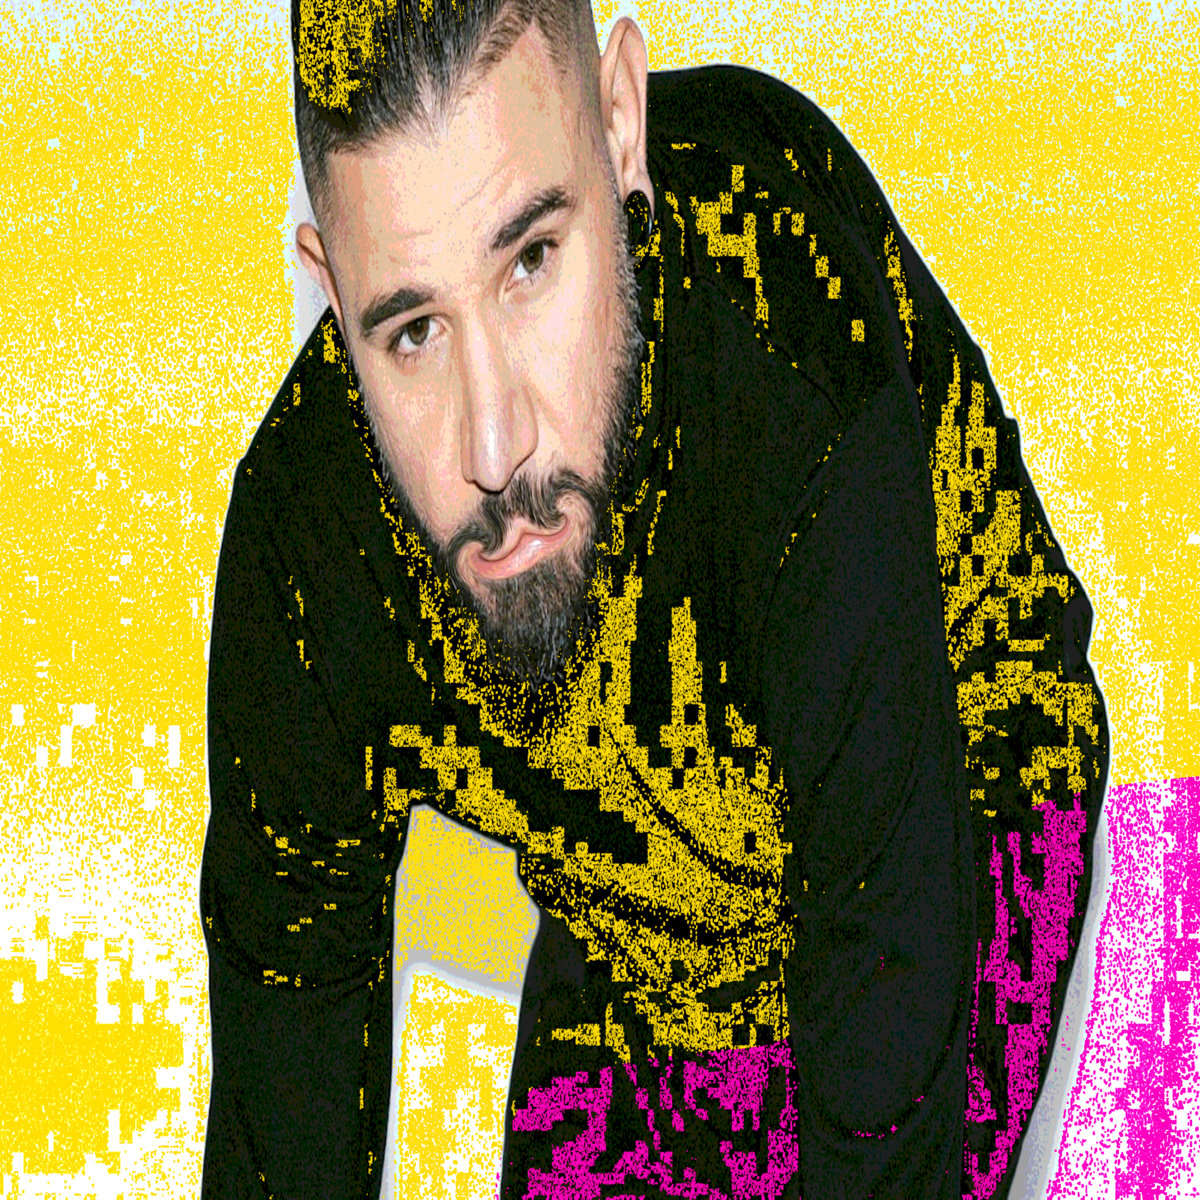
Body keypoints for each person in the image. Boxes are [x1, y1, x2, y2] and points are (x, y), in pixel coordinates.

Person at [199, 0, 1109, 1196]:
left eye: (531, 262)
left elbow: (889, 988)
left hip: (952, 761)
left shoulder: (792, 360)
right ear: (328, 280)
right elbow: (285, 1106)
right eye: (412, 330)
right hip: (642, 893)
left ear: (620, 123)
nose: (494, 447)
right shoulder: (305, 549)